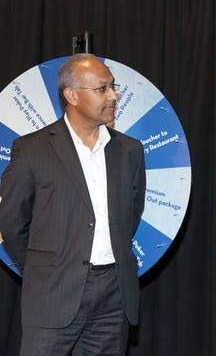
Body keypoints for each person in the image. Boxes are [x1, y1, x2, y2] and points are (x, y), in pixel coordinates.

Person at [0, 53, 146, 355]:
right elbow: (12, 222)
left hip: (113, 295)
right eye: (102, 88)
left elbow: (130, 213)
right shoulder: (31, 149)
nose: (114, 95)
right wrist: (46, 267)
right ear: (72, 95)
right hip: (52, 293)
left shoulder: (129, 150)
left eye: (113, 87)